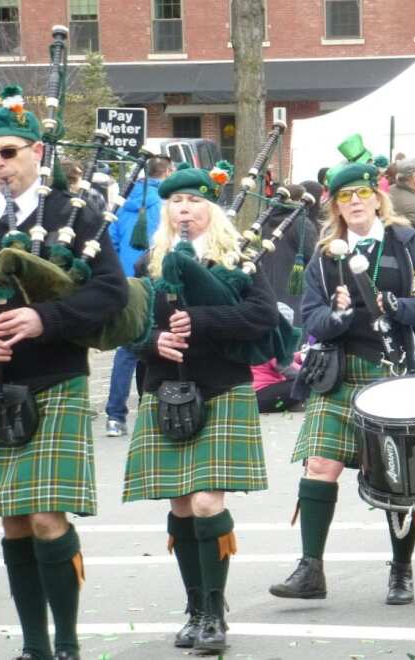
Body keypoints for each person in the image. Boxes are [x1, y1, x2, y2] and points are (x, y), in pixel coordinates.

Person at [0, 89, 129, 660]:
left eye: (8, 153)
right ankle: (35, 647)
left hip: (55, 379)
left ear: (36, 151)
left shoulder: (74, 215)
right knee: (13, 522)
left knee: (45, 517)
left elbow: (111, 291)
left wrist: (47, 318)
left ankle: (66, 644)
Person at [268, 161, 415, 605]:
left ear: (377, 197)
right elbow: (311, 318)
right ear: (336, 206)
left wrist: (397, 306)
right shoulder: (325, 256)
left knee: (398, 479)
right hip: (340, 372)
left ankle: (401, 571)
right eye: (344, 198)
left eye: (361, 195)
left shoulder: (409, 244)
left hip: (396, 373)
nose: (354, 203)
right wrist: (338, 315)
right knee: (319, 466)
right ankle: (311, 569)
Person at [122, 165, 279, 653]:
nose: (184, 208)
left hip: (222, 387)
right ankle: (194, 607)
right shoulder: (150, 262)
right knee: (181, 504)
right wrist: (154, 342)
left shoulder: (238, 259)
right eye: (175, 201)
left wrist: (200, 319)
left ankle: (214, 611)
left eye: (193, 199)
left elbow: (262, 317)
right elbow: (128, 329)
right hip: (164, 390)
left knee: (208, 502)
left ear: (210, 206)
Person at [104, 156, 172, 437]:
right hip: (153, 278)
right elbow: (164, 242)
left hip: (124, 282)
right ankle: (150, 407)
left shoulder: (122, 203)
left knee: (128, 348)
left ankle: (115, 416)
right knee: (153, 342)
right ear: (167, 172)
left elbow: (111, 240)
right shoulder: (166, 204)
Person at [259, 183, 319, 327]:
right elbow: (314, 257)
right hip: (295, 289)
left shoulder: (266, 220)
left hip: (269, 283)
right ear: (300, 200)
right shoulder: (301, 222)